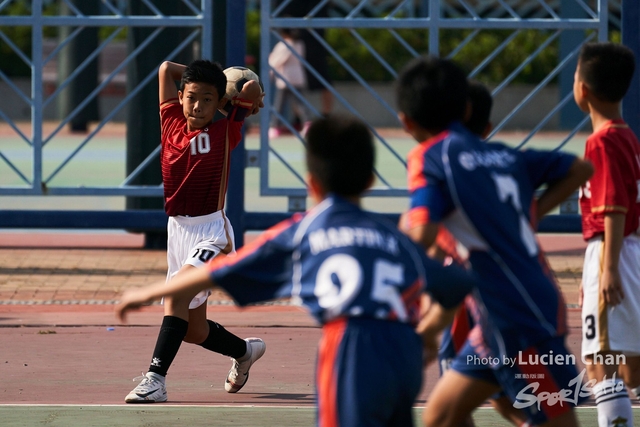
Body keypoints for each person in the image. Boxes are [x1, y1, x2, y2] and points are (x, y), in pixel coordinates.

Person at [116, 114, 477, 426]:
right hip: (403, 358)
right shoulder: (394, 236)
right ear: (370, 180)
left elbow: (223, 271)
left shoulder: (306, 231)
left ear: (312, 184)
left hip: (347, 353)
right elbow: (458, 284)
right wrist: (429, 335)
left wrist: (148, 294)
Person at [396, 55, 594, 427]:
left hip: (521, 317)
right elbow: (580, 168)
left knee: (555, 421)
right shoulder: (503, 154)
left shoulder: (430, 157)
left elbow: (420, 233)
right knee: (441, 416)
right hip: (500, 315)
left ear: (406, 121)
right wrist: (531, 213)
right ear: (467, 107)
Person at [124, 59, 265, 403]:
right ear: (181, 97)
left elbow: (250, 91)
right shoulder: (170, 120)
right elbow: (164, 69)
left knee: (175, 298)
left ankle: (155, 379)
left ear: (219, 102)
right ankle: (245, 351)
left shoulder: (227, 128)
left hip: (211, 233)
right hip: (178, 231)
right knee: (193, 329)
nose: (197, 105)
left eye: (207, 99)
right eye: (191, 97)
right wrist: (212, 78)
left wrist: (244, 93)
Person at [433, 80, 528, 427]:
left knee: (448, 406)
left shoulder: (444, 165)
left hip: (467, 294)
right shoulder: (505, 166)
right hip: (512, 294)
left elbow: (429, 232)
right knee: (505, 399)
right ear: (487, 127)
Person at [574, 41, 640, 427]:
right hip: (628, 250)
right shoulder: (627, 136)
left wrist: (609, 268)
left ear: (583, 88)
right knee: (631, 364)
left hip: (610, 252)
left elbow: (614, 206)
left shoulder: (601, 142)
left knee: (601, 364)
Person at [268, 27, 312, 138]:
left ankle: (275, 127)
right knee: (300, 103)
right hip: (297, 77)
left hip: (286, 78)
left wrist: (270, 72)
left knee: (280, 104)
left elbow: (275, 61)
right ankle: (307, 123)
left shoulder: (283, 45)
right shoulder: (299, 44)